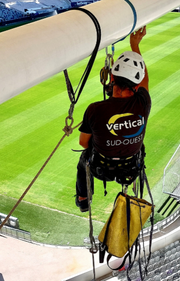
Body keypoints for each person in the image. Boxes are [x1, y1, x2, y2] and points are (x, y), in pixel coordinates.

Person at [75, 26, 150, 212]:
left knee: (84, 158)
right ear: (135, 84)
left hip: (101, 168)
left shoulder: (94, 109)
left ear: (112, 80)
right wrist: (135, 45)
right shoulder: (143, 102)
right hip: (131, 168)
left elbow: (84, 143)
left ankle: (83, 198)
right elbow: (145, 81)